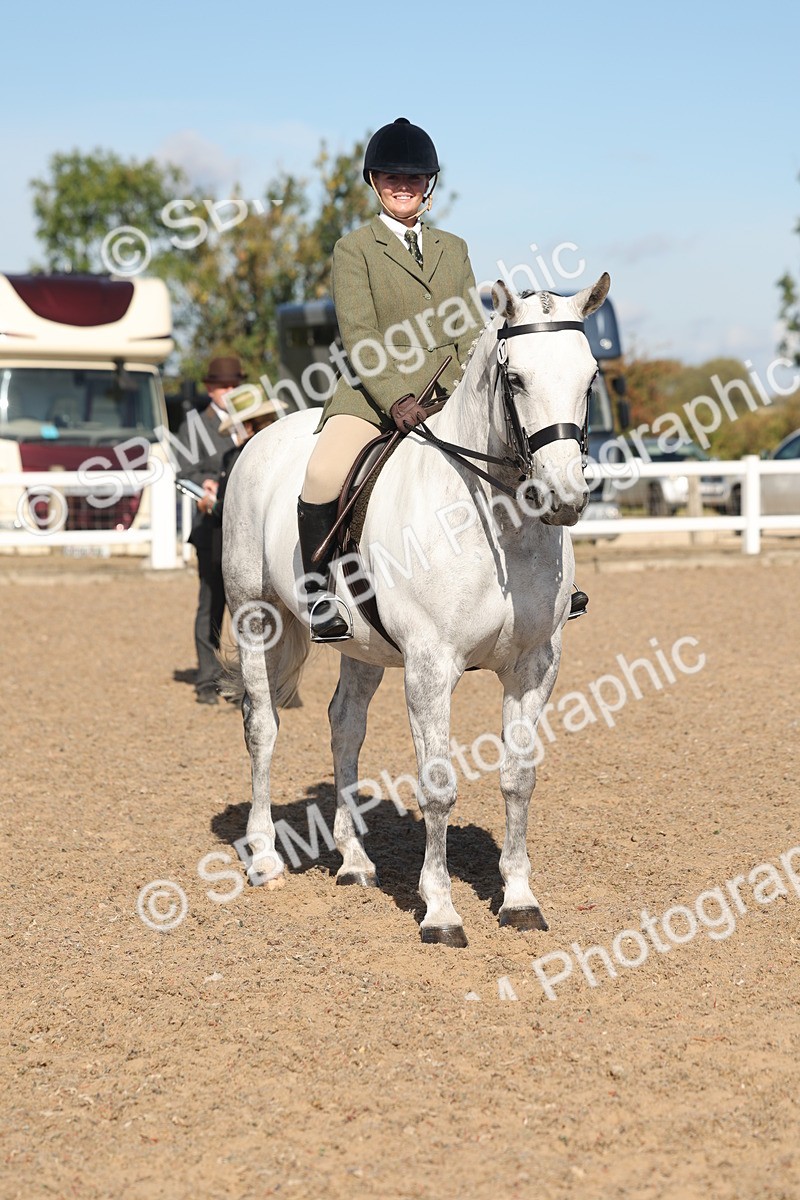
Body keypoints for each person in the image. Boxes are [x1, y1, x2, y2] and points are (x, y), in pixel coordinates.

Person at [296, 117, 588, 643]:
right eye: (391, 177)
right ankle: (320, 594)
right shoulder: (354, 249)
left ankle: (554, 580)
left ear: (428, 185)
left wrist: (458, 390)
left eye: (413, 178)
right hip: (372, 395)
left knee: (520, 454)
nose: (402, 186)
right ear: (374, 182)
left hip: (447, 392)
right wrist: (396, 397)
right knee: (323, 472)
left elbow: (469, 330)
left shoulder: (453, 248)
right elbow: (360, 336)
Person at [179, 355, 243, 704]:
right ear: (210, 388)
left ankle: (243, 679)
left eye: (234, 385)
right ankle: (207, 679)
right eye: (223, 386)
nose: (229, 391)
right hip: (211, 527)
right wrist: (203, 486)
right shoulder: (195, 427)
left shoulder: (250, 422)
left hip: (243, 527)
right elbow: (183, 474)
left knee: (245, 606)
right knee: (211, 602)